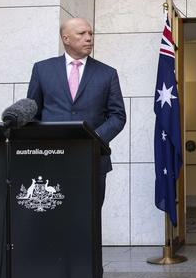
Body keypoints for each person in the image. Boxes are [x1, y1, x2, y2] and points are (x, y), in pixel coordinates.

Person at [27, 17, 126, 206]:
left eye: (90, 33)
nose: (89, 38)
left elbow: (118, 116)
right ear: (66, 38)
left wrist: (94, 138)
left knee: (89, 218)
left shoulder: (108, 73)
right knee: (53, 218)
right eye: (82, 33)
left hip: (93, 159)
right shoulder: (42, 69)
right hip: (51, 159)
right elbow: (33, 112)